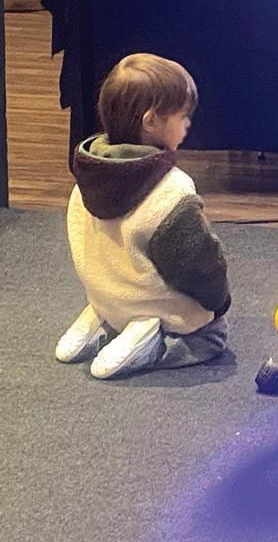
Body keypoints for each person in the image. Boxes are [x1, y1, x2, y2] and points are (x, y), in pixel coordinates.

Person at [55, 53, 230, 379]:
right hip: (155, 308)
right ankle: (150, 341)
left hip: (108, 298)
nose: (187, 125)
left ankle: (103, 321)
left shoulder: (83, 183)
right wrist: (219, 302)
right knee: (212, 334)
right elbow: (200, 267)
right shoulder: (170, 191)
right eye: (182, 117)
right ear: (151, 121)